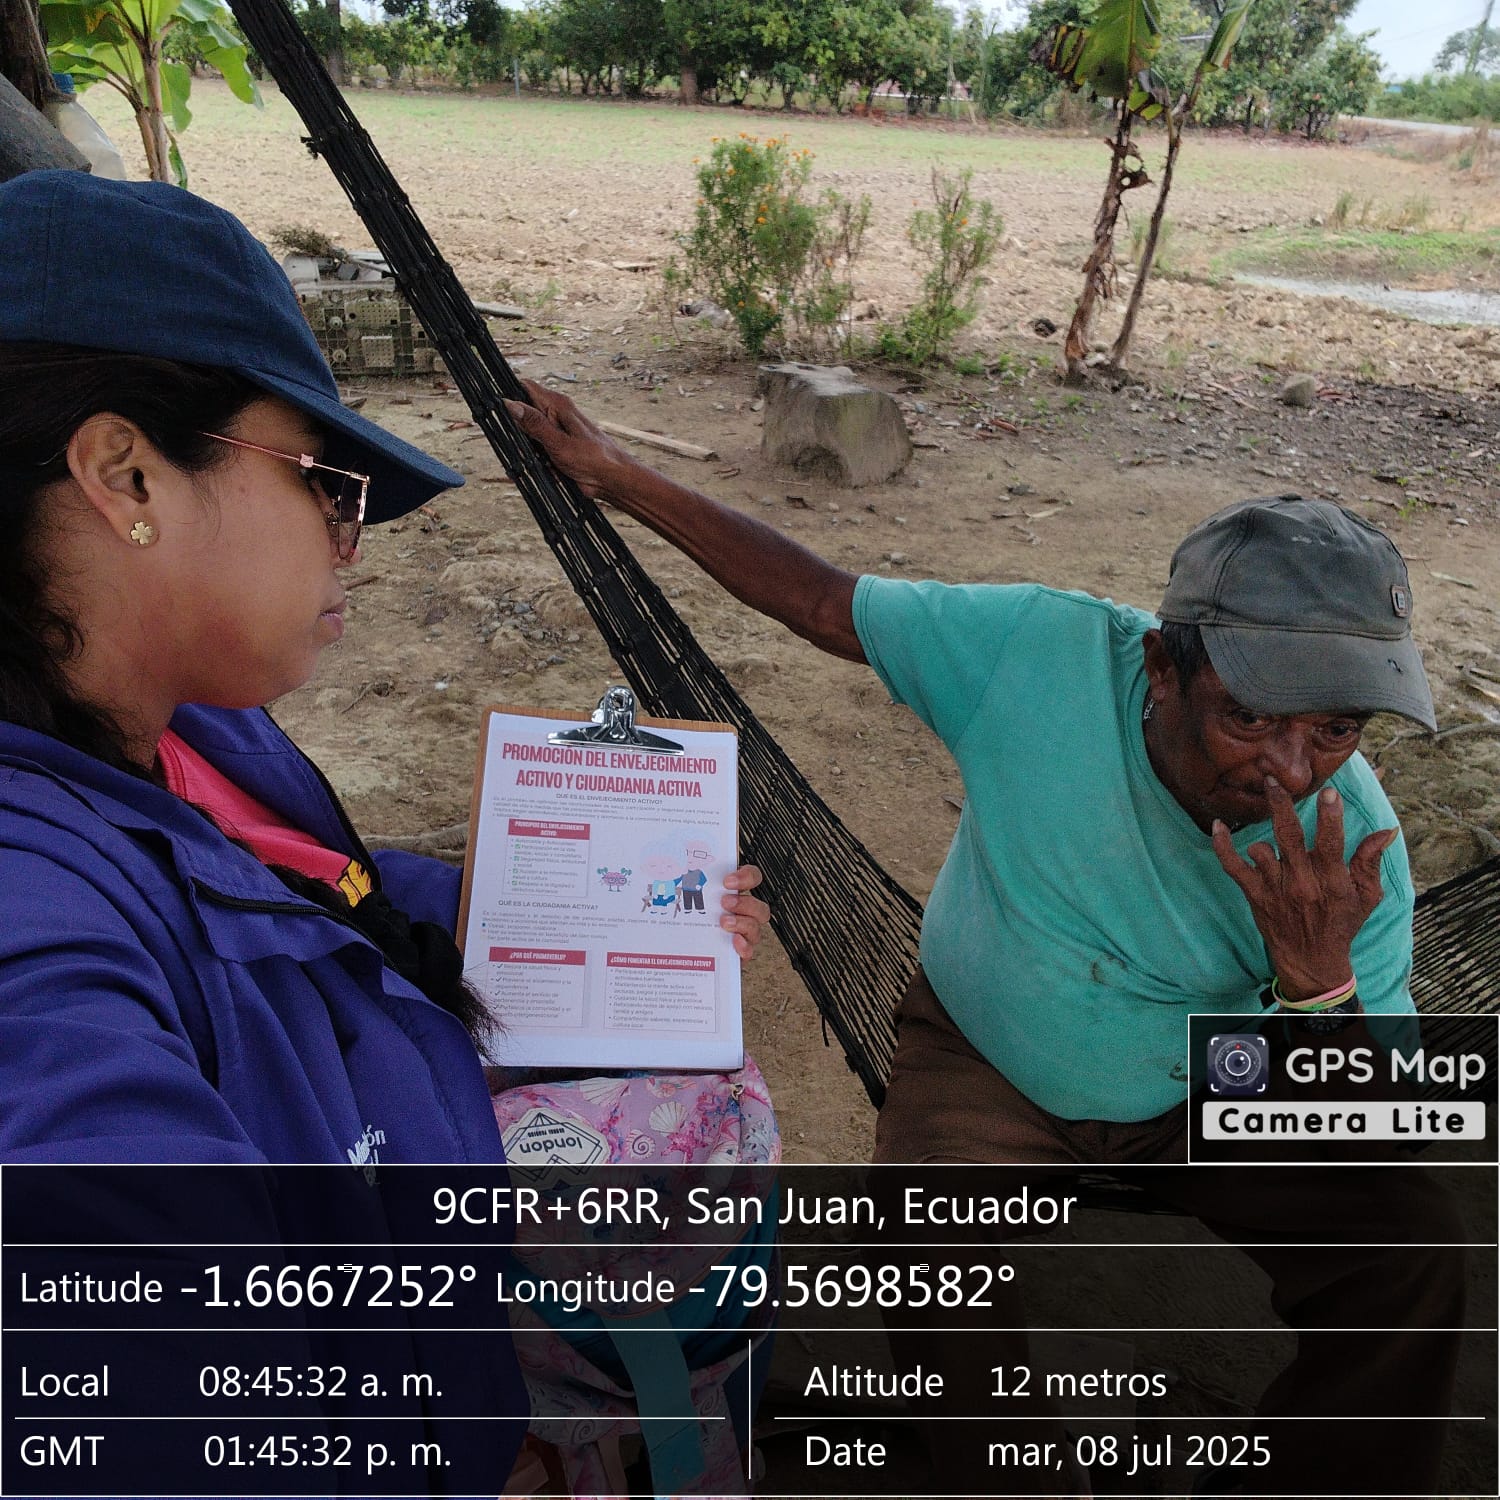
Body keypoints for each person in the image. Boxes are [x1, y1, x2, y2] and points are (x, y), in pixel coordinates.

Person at [507, 380, 1469, 1497]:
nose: (1291, 770)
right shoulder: (1038, 655)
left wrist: (1318, 984)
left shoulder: (1355, 855)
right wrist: (619, 478)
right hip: (988, 1059)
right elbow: (824, 602)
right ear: (1163, 667)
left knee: (1417, 1257)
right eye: (1249, 716)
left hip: (1211, 1091)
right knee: (923, 1240)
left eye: (1336, 728)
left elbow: (1372, 1137)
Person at [0, 170, 770, 1164]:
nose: (347, 539)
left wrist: (599, 903)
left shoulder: (178, 724)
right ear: (128, 476)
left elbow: (304, 885)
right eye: (323, 480)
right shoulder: (37, 914)